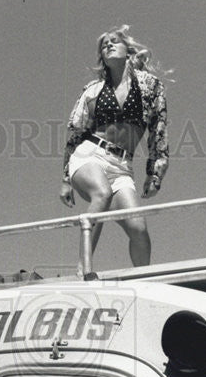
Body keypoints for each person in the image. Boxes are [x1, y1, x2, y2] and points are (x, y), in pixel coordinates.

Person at [61, 25, 169, 268]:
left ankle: (144, 279)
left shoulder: (150, 86)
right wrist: (66, 179)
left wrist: (155, 173)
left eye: (113, 41)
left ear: (128, 50)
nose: (108, 45)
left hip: (122, 166)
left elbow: (158, 129)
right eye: (104, 44)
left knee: (138, 229)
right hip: (90, 154)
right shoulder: (92, 89)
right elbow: (75, 133)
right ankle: (83, 270)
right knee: (102, 194)